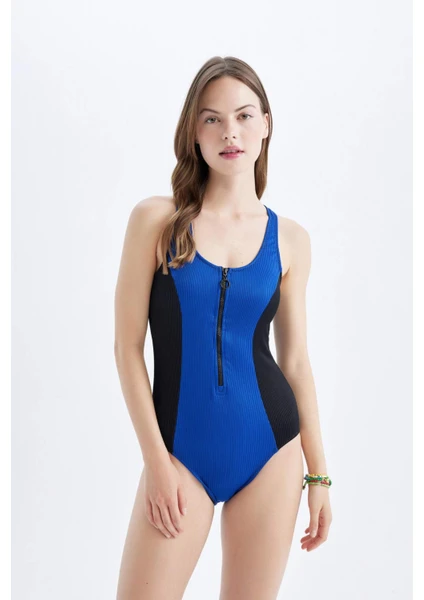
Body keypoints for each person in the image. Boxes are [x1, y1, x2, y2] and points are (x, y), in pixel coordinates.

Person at [114, 56, 333, 600]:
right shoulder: (157, 221)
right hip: (178, 454)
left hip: (271, 450)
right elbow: (127, 348)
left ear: (266, 125)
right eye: (212, 118)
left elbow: (296, 362)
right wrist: (156, 462)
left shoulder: (291, 240)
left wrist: (318, 474)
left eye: (243, 116)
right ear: (194, 131)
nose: (229, 132)